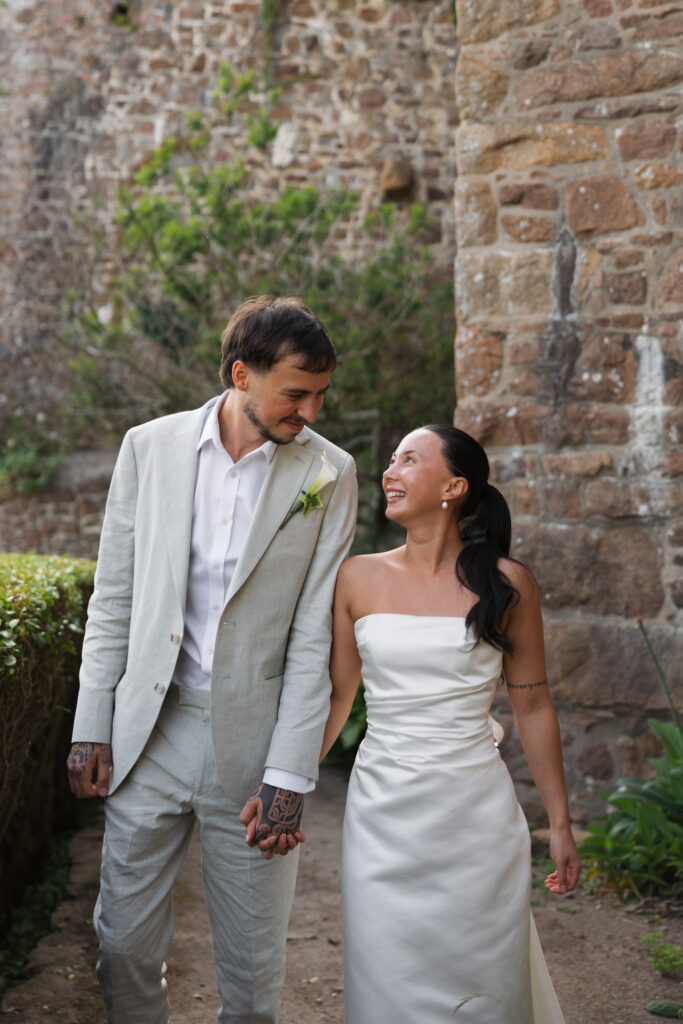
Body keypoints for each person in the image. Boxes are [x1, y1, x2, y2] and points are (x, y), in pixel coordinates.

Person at [66, 295, 357, 1024]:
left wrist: (290, 774)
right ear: (240, 375)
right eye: (295, 393)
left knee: (252, 976)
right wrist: (90, 724)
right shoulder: (149, 447)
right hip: (149, 733)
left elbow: (312, 637)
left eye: (320, 395)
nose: (310, 412)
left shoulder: (331, 474)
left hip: (256, 752)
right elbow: (115, 596)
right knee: (121, 944)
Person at [321, 423, 581, 1024]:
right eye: (390, 461)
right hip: (382, 814)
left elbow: (534, 707)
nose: (390, 472)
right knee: (386, 975)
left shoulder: (509, 586)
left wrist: (561, 824)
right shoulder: (356, 577)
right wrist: (284, 783)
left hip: (475, 818)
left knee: (483, 981)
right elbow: (338, 694)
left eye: (408, 460)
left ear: (454, 487)